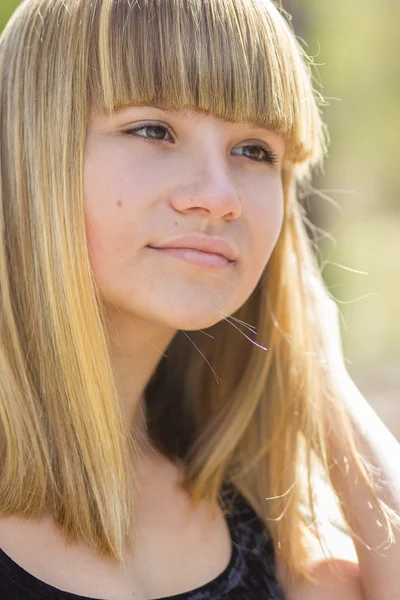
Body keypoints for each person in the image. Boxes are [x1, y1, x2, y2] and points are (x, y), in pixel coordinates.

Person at [0, 0, 399, 598]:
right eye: (154, 130)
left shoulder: (270, 535)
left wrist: (320, 370)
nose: (219, 196)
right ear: (30, 155)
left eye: (255, 150)